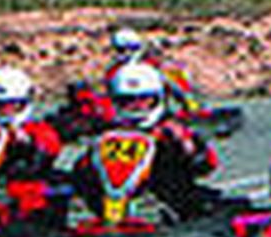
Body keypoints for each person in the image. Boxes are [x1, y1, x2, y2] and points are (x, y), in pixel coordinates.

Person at [71, 61, 220, 222]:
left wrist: (185, 145)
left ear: (157, 98)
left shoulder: (170, 129)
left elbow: (206, 164)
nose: (136, 106)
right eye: (128, 100)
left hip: (162, 194)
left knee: (200, 201)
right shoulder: (106, 132)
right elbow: (80, 168)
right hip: (111, 200)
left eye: (143, 99)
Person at [0, 64, 63, 178]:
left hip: (22, 183)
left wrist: (27, 144)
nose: (4, 112)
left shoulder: (37, 129)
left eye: (10, 106)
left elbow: (49, 144)